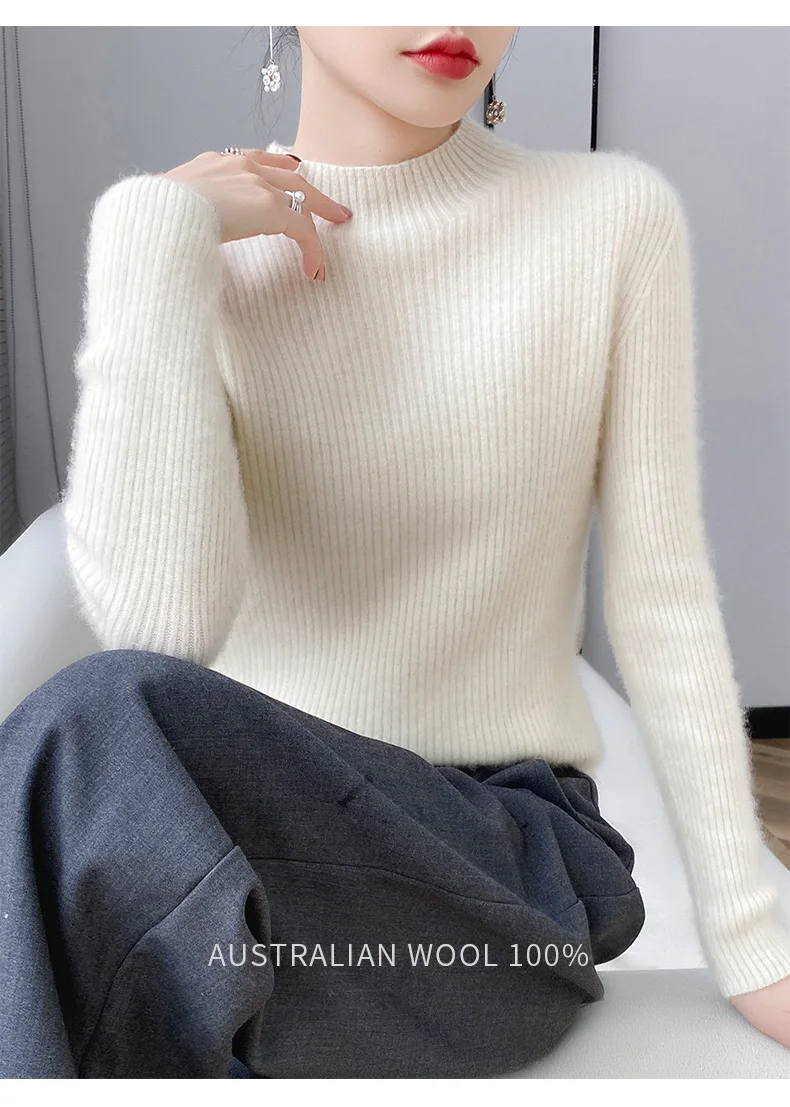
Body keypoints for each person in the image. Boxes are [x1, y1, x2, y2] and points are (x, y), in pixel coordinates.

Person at [1, 25, 789, 1078]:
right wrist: (152, 240)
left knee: (81, 747)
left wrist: (752, 940)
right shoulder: (190, 243)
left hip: (497, 881)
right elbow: (162, 622)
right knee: (93, 896)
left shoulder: (608, 219)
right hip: (244, 865)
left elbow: (663, 596)